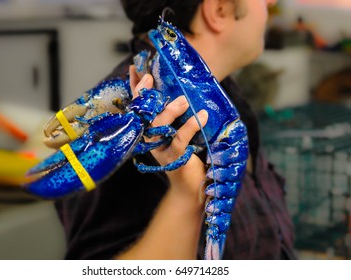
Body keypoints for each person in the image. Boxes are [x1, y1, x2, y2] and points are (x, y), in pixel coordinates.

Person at [54, 0, 297, 259]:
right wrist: (186, 196)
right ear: (220, 10)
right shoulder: (120, 122)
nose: (271, 2)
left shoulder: (225, 91)